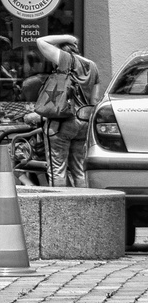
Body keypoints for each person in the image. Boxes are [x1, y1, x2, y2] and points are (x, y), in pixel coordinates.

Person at [23, 33, 99, 188]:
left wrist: (67, 37)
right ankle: (81, 204)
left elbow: (41, 41)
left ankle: (59, 207)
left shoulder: (66, 59)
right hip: (84, 122)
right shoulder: (92, 66)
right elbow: (95, 101)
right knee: (78, 169)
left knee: (57, 168)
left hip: (62, 122)